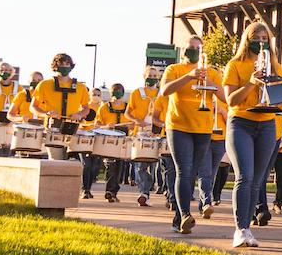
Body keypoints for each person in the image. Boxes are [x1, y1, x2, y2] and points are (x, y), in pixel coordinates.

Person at [222, 21, 282, 250]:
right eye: (256, 38)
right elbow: (231, 100)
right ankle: (239, 229)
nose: (260, 43)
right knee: (245, 176)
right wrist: (252, 82)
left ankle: (247, 229)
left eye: (264, 39)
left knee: (257, 180)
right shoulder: (235, 65)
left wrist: (277, 83)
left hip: (267, 124)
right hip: (241, 123)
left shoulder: (275, 65)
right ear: (247, 40)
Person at [156, 35, 222, 234]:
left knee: (192, 173)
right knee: (183, 170)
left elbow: (224, 97)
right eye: (190, 47)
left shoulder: (212, 72)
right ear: (183, 50)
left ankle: (179, 217)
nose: (193, 51)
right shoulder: (173, 69)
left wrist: (210, 81)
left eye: (197, 48)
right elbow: (165, 90)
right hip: (178, 126)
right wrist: (189, 76)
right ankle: (185, 213)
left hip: (202, 128)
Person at [87, 83, 133, 202]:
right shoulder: (104, 107)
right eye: (115, 91)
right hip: (109, 141)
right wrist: (106, 126)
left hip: (123, 141)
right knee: (110, 165)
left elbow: (133, 124)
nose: (117, 93)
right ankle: (109, 191)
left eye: (119, 91)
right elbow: (97, 124)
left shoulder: (128, 107)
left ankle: (113, 191)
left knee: (120, 167)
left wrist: (131, 126)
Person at [127, 65, 165, 208]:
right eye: (150, 75)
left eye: (155, 76)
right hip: (141, 133)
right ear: (144, 76)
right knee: (140, 165)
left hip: (156, 132)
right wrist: (137, 121)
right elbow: (128, 112)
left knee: (155, 165)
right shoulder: (136, 93)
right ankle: (144, 193)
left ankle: (152, 187)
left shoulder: (162, 93)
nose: (152, 78)